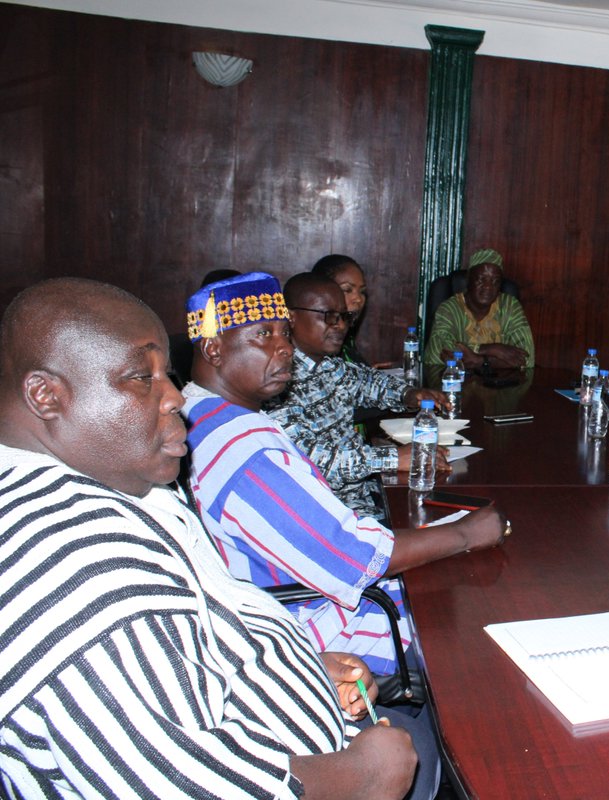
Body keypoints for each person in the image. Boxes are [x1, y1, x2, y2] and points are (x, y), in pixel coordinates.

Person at [0, 278, 417, 799]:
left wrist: (299, 662)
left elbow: (198, 627)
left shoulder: (112, 481)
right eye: (140, 377)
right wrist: (364, 776)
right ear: (46, 395)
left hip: (303, 712)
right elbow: (170, 784)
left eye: (166, 375)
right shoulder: (72, 566)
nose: (175, 396)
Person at [182, 272, 509, 680]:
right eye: (264, 335)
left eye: (284, 334)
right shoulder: (245, 452)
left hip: (296, 582)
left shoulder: (200, 413)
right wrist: (466, 532)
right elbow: (359, 558)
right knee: (479, 605)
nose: (284, 348)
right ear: (213, 349)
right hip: (305, 625)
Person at [266, 273, 447, 519]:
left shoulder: (328, 365)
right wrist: (393, 458)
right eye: (329, 316)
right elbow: (310, 461)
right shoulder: (274, 381)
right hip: (331, 516)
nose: (340, 325)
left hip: (364, 496)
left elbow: (367, 381)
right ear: (291, 317)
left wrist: (408, 394)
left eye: (344, 317)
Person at [423, 248, 535, 371]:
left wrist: (480, 361)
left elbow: (527, 359)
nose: (488, 286)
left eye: (495, 281)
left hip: (501, 386)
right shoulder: (449, 308)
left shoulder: (510, 306)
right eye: (481, 279)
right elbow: (437, 353)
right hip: (457, 385)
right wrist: (493, 349)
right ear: (468, 280)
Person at [313, 254, 370, 364]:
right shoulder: (320, 340)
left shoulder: (347, 339)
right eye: (347, 290)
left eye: (362, 292)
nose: (358, 299)